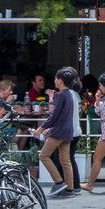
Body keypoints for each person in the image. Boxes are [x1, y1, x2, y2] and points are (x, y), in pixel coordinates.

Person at [37, 67, 80, 198]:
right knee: (65, 161)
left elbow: (54, 116)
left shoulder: (61, 95)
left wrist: (42, 128)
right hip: (68, 132)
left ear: (60, 81)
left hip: (59, 132)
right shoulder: (70, 95)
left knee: (44, 156)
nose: (54, 81)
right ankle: (69, 189)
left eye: (56, 78)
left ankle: (59, 182)